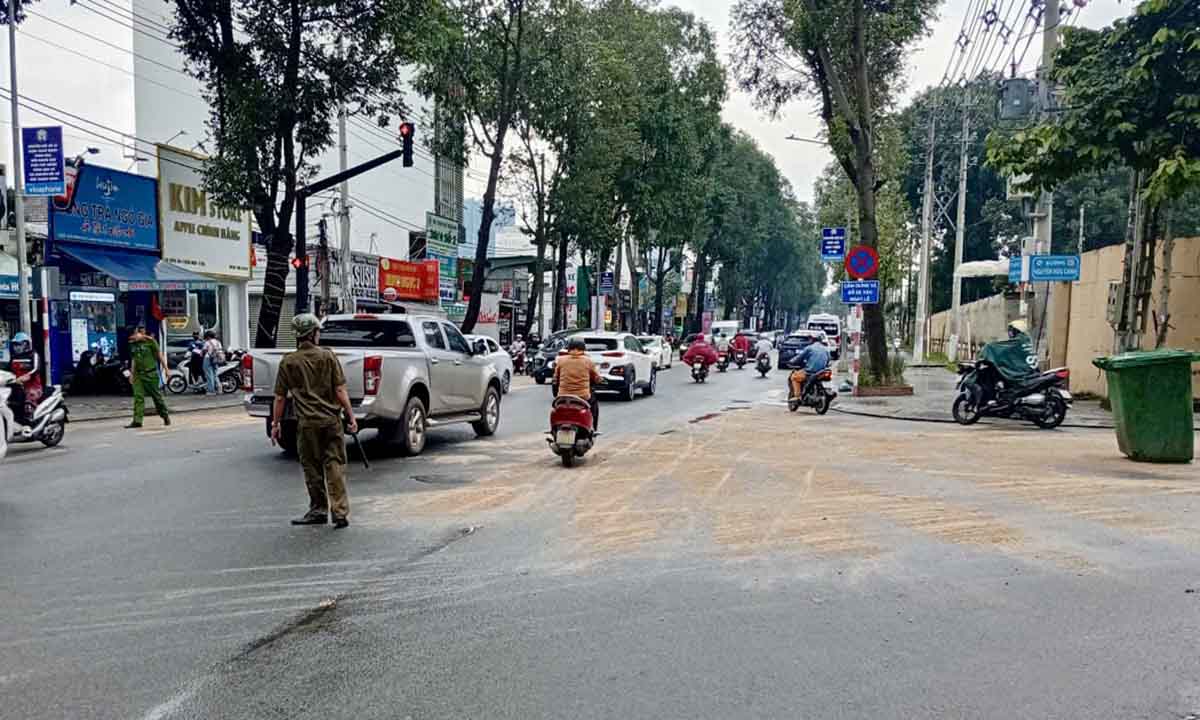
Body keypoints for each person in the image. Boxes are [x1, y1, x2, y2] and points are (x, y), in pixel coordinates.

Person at [271, 313, 357, 529]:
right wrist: (351, 416)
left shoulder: (288, 362)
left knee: (312, 467)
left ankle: (318, 509)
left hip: (307, 424)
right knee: (334, 464)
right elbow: (340, 390)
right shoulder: (328, 357)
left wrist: (275, 423)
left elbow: (280, 397)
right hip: (331, 421)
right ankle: (339, 512)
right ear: (313, 334)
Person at [553, 336, 602, 430]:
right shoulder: (588, 361)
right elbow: (596, 378)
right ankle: (594, 429)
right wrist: (599, 380)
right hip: (583, 396)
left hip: (562, 396)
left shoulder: (561, 360)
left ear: (568, 349)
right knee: (594, 405)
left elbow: (556, 377)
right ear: (583, 350)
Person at [127, 325, 171, 428]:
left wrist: (166, 369)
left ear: (139, 333)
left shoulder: (150, 342)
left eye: (134, 335)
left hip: (150, 374)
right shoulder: (132, 344)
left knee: (157, 397)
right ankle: (137, 421)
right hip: (138, 375)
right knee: (138, 397)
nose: (132, 337)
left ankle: (165, 415)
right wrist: (132, 374)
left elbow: (160, 356)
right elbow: (134, 359)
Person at [6, 332, 43, 428]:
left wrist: (26, 376)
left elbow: (36, 369)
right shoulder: (14, 358)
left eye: (19, 344)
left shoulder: (33, 355)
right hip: (16, 386)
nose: (16, 347)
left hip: (32, 387)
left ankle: (32, 424)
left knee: (28, 405)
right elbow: (7, 371)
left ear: (26, 344)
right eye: (15, 345)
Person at [787, 335, 831, 401]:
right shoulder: (826, 349)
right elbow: (828, 360)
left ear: (812, 341)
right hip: (822, 372)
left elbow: (799, 357)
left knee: (794, 377)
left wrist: (791, 361)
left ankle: (798, 396)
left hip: (810, 372)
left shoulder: (809, 348)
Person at [202, 330, 225, 395]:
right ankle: (219, 389)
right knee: (215, 374)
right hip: (216, 359)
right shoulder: (218, 342)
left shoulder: (207, 342)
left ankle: (211, 391)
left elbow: (203, 351)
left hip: (208, 358)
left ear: (208, 336)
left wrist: (201, 353)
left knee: (209, 375)